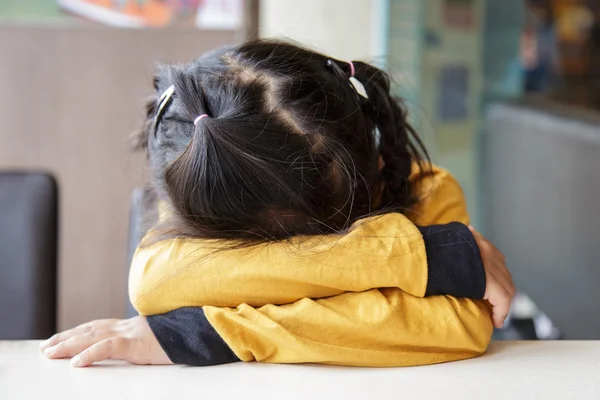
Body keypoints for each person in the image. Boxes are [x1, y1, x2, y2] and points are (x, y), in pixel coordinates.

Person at [40, 40, 514, 367]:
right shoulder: (203, 189)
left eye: (326, 232)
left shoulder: (429, 193)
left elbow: (462, 324)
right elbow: (154, 281)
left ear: (366, 168)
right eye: (264, 246)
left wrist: (215, 331)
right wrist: (413, 256)